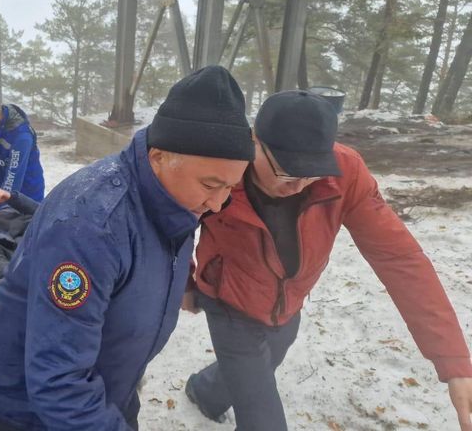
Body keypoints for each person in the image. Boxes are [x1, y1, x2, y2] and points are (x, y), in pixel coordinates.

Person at [0, 66, 256, 431]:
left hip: (105, 389)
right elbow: (58, 381)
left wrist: (180, 283)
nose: (218, 203)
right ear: (159, 156)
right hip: (30, 411)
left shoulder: (176, 199)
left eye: (230, 186)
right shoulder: (92, 225)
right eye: (212, 184)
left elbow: (146, 258)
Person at [183, 90, 472, 431]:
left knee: (271, 354)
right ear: (255, 142)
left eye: (311, 174)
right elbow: (177, 227)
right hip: (228, 298)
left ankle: (206, 392)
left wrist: (454, 363)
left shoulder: (344, 172)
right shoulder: (221, 166)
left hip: (287, 303)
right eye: (288, 174)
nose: (299, 186)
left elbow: (399, 257)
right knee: (261, 410)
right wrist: (185, 284)